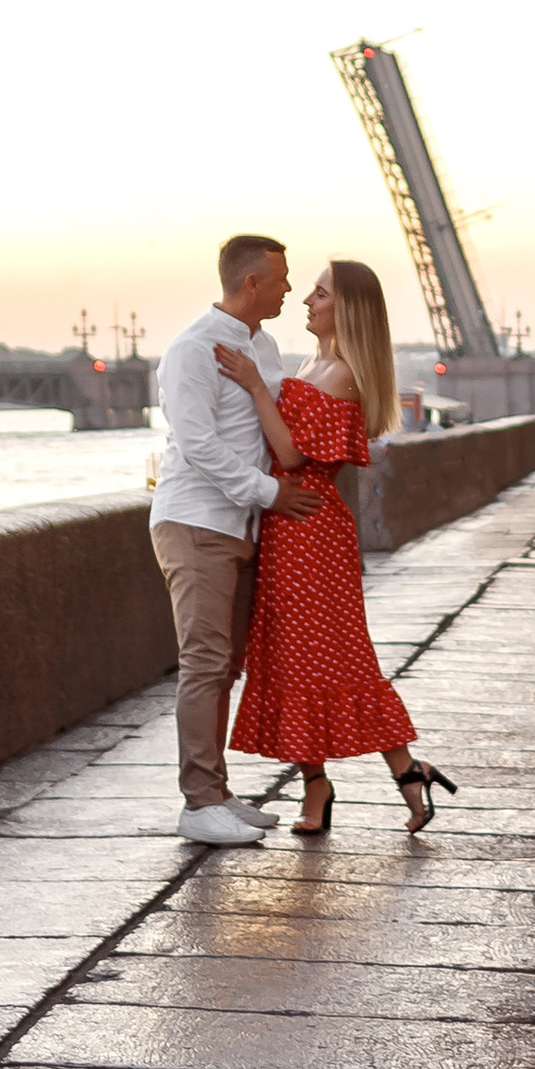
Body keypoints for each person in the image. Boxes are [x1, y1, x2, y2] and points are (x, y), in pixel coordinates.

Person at [216, 256, 455, 838]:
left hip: (313, 528)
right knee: (289, 657)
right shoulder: (310, 362)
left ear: (346, 309)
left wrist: (252, 384)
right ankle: (317, 783)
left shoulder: (343, 372)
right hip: (285, 524)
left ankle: (404, 769)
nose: (306, 300)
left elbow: (295, 457)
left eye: (319, 294)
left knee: (337, 656)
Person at [151, 234, 324, 843]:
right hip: (196, 520)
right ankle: (197, 804)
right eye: (281, 278)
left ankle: (217, 792)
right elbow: (196, 445)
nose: (288, 288)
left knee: (226, 664)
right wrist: (272, 495)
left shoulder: (266, 345)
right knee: (203, 661)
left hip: (240, 523)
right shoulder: (193, 348)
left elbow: (270, 423)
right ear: (251, 283)